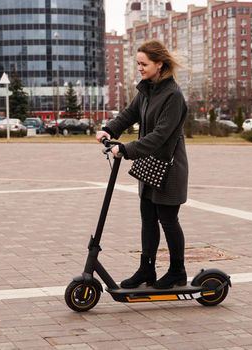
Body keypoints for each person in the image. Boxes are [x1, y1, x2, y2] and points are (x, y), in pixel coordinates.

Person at [95, 40, 188, 289]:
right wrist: (108, 129)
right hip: (150, 165)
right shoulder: (148, 90)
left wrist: (126, 149)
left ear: (159, 64)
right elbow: (130, 113)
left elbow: (160, 135)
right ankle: (146, 269)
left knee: (168, 220)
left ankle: (177, 271)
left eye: (144, 64)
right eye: (137, 63)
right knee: (148, 218)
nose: (140, 68)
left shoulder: (173, 96)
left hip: (169, 168)